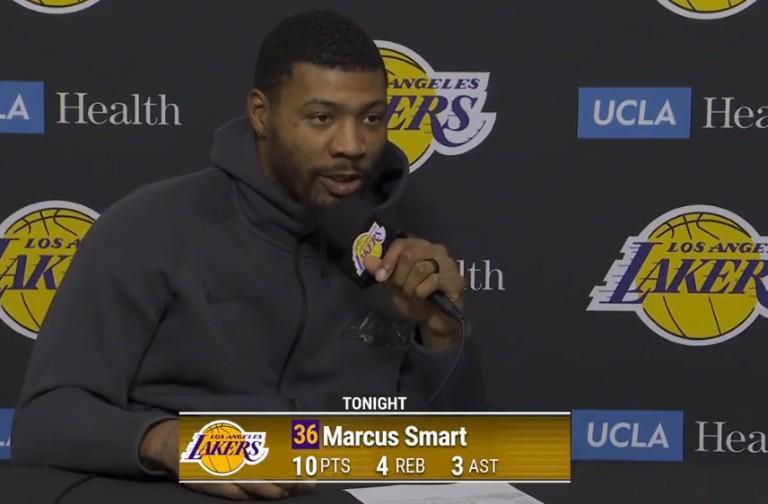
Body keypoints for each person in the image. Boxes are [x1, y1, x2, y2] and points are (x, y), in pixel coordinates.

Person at [11, 9, 482, 501]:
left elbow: (456, 452)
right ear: (261, 114)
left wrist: (441, 337)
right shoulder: (148, 227)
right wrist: (167, 442)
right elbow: (45, 420)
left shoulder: (395, 248)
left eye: (371, 118)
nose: (352, 144)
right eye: (322, 118)